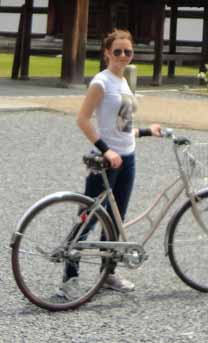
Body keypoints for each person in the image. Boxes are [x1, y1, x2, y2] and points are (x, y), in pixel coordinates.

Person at [61, 28, 160, 297]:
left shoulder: (124, 81)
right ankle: (70, 277)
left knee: (116, 220)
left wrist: (147, 131)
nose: (123, 56)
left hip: (127, 158)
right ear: (107, 53)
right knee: (90, 217)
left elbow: (122, 127)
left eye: (128, 51)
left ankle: (108, 273)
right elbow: (82, 120)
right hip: (106, 162)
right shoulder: (101, 82)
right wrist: (106, 151)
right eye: (117, 51)